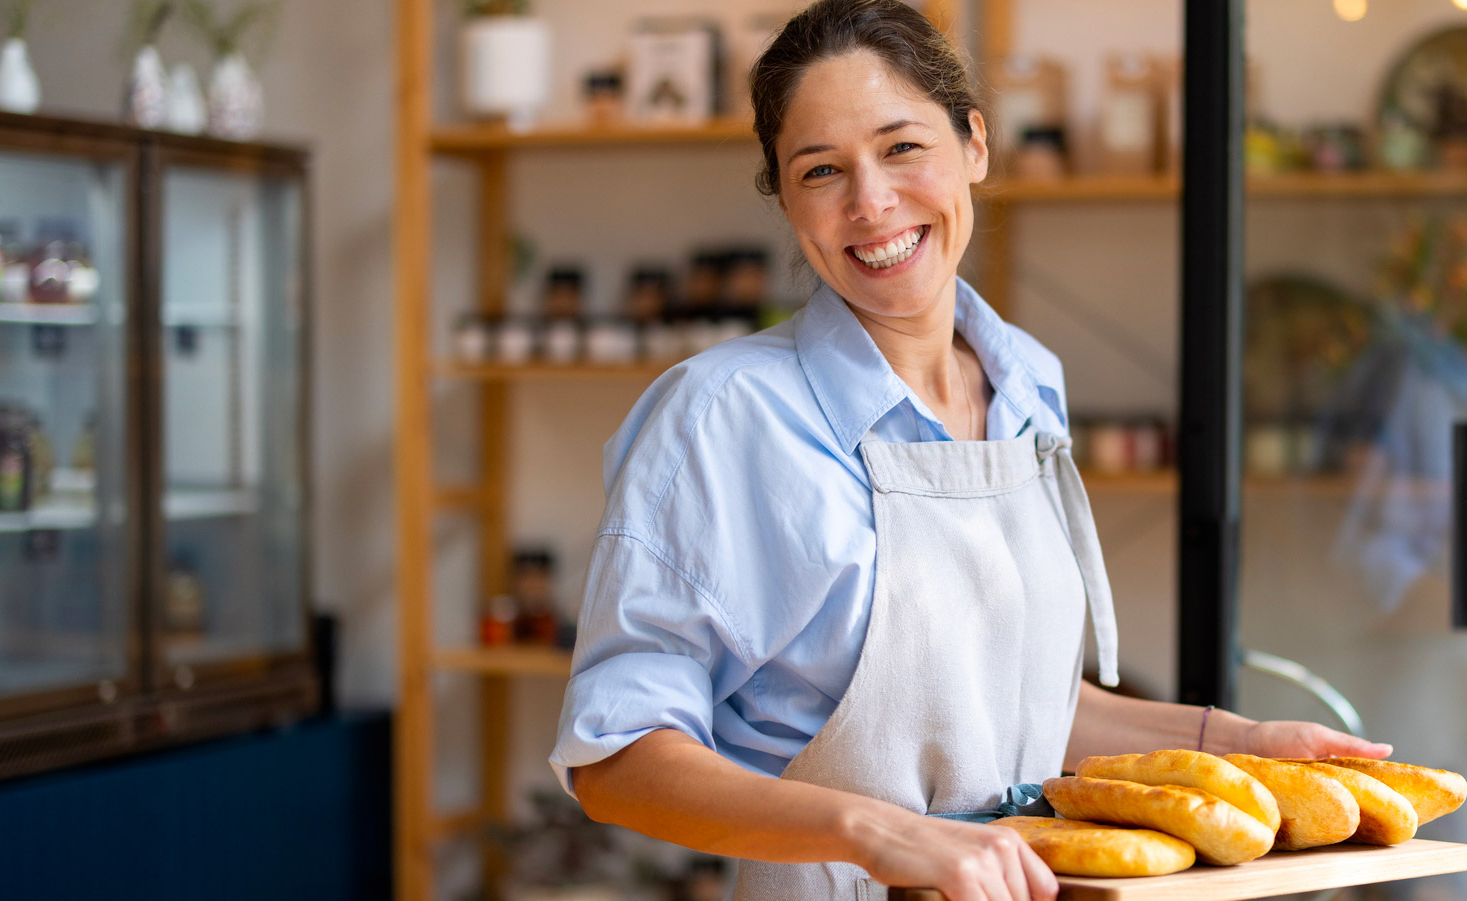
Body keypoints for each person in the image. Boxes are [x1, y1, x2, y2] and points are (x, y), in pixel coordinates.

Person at [550, 2, 1390, 899]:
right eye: (821, 170)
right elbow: (617, 758)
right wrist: (879, 835)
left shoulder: (1026, 382)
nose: (870, 203)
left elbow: (1016, 706)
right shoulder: (723, 415)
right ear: (787, 200)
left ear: (975, 147)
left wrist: (1242, 745)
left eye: (902, 147)